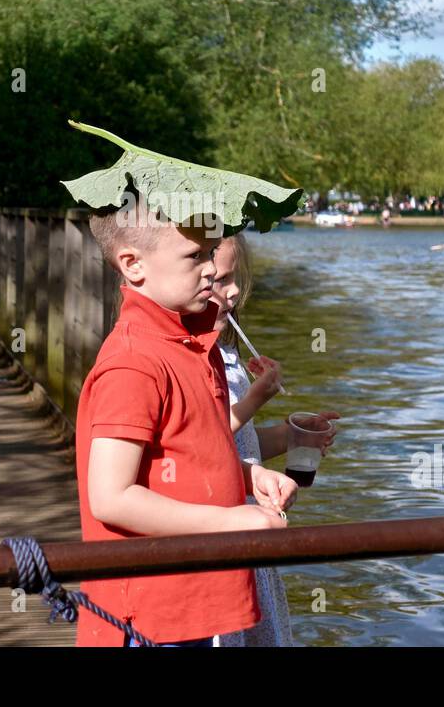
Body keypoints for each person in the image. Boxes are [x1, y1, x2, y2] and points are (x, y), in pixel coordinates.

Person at [74, 190, 297, 646]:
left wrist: (247, 477)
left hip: (190, 604)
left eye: (213, 252)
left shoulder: (193, 345)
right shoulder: (134, 363)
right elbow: (111, 497)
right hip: (147, 618)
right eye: (195, 255)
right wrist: (234, 521)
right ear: (133, 264)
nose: (212, 269)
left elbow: (187, 455)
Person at [208, 232, 339, 646]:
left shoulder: (227, 360)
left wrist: (289, 436)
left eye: (235, 280)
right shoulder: (188, 365)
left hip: (254, 524)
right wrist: (252, 399)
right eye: (219, 279)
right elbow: (200, 442)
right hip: (218, 529)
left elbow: (241, 445)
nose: (231, 294)